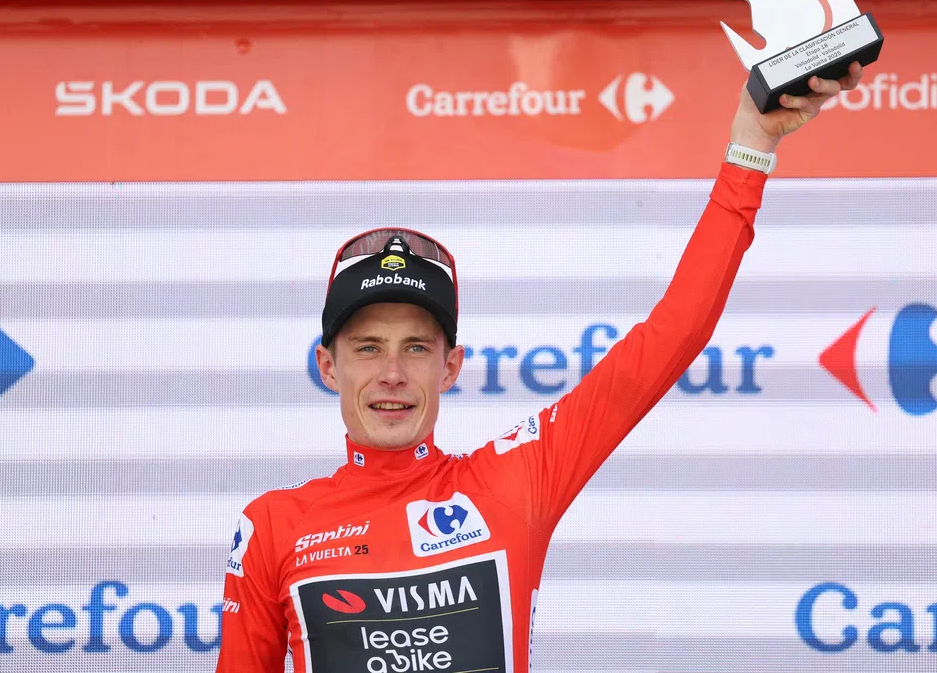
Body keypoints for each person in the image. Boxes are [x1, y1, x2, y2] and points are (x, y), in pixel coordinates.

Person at [215, 64, 864, 673]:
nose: (391, 372)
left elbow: (674, 333)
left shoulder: (511, 482)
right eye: (367, 347)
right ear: (328, 366)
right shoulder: (274, 526)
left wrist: (751, 148)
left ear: (452, 366)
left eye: (417, 347)